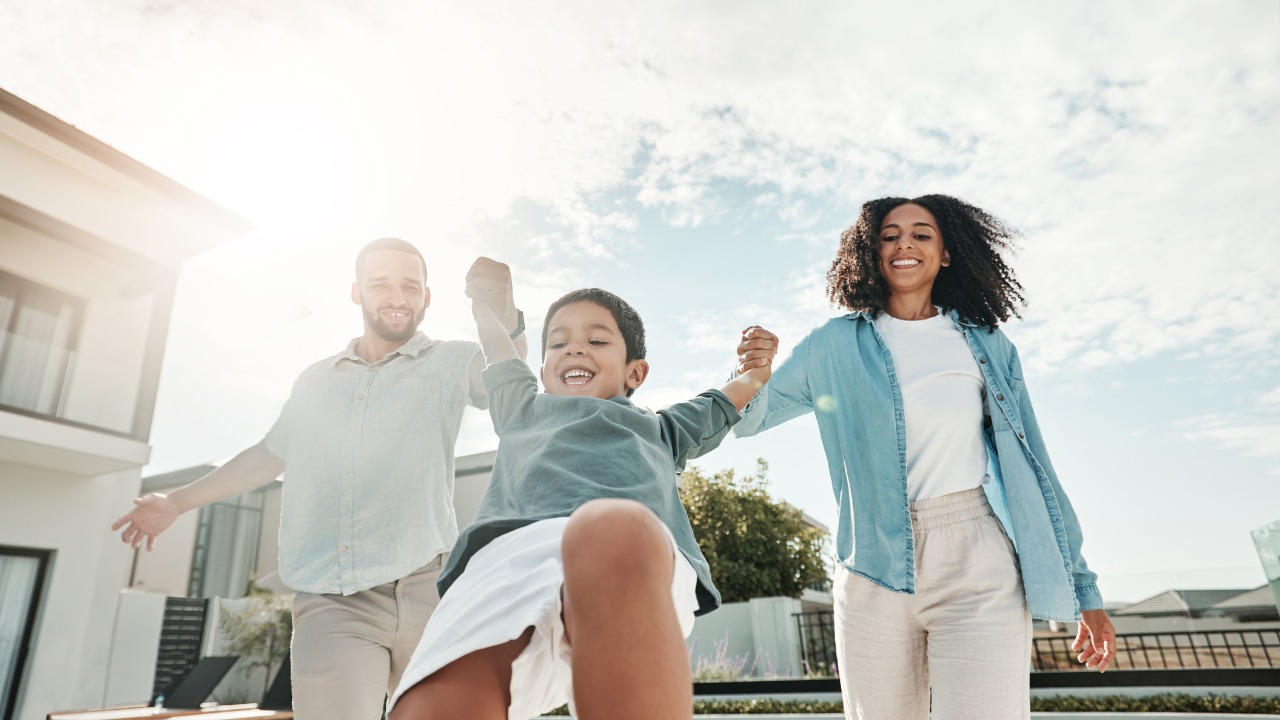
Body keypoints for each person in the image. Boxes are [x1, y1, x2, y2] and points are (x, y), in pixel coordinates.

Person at [733, 195, 1116, 719]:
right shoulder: (833, 345)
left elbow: (1036, 468)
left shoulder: (987, 345)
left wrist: (1083, 586)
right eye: (889, 236)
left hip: (976, 556)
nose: (903, 244)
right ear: (871, 252)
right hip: (871, 563)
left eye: (921, 234)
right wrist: (751, 373)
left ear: (946, 253)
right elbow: (749, 420)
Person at [111, 238, 527, 720]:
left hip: (429, 588)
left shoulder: (453, 361)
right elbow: (269, 456)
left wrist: (505, 316)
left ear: (427, 297)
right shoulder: (316, 381)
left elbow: (512, 385)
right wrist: (177, 502)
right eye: (381, 284)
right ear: (357, 292)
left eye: (411, 287)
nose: (397, 297)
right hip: (336, 600)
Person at [388, 286, 778, 720]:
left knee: (609, 526)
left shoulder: (662, 429)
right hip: (511, 557)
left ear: (635, 373)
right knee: (433, 706)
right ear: (542, 370)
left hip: (624, 556)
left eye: (596, 340)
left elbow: (721, 402)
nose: (574, 348)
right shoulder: (520, 408)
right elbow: (499, 352)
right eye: (558, 343)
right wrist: (484, 305)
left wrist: (755, 370)